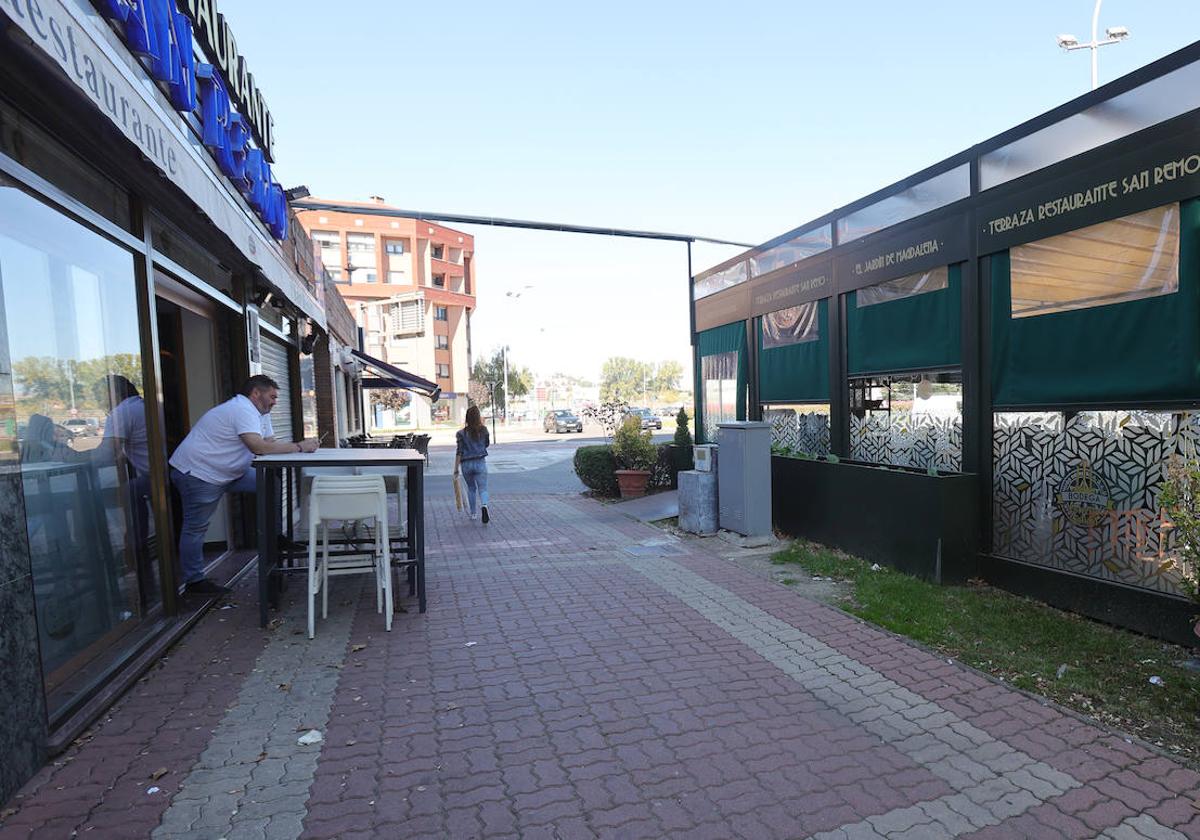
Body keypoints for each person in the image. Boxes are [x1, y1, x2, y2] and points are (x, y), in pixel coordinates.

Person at [170, 375, 318, 594]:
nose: (275, 401)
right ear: (256, 393)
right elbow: (258, 447)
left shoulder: (260, 413)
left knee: (271, 482)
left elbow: (269, 443)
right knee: (196, 527)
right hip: (199, 472)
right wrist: (299, 447)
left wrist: (296, 447)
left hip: (228, 471)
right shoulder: (242, 409)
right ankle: (194, 581)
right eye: (272, 396)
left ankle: (275, 537)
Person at [454, 405, 490, 523]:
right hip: (480, 462)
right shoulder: (484, 430)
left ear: (467, 418)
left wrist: (456, 468)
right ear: (478, 417)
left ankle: (473, 514)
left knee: (471, 488)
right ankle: (484, 505)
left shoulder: (461, 433)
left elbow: (459, 451)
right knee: (483, 488)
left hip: (466, 464)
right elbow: (486, 444)